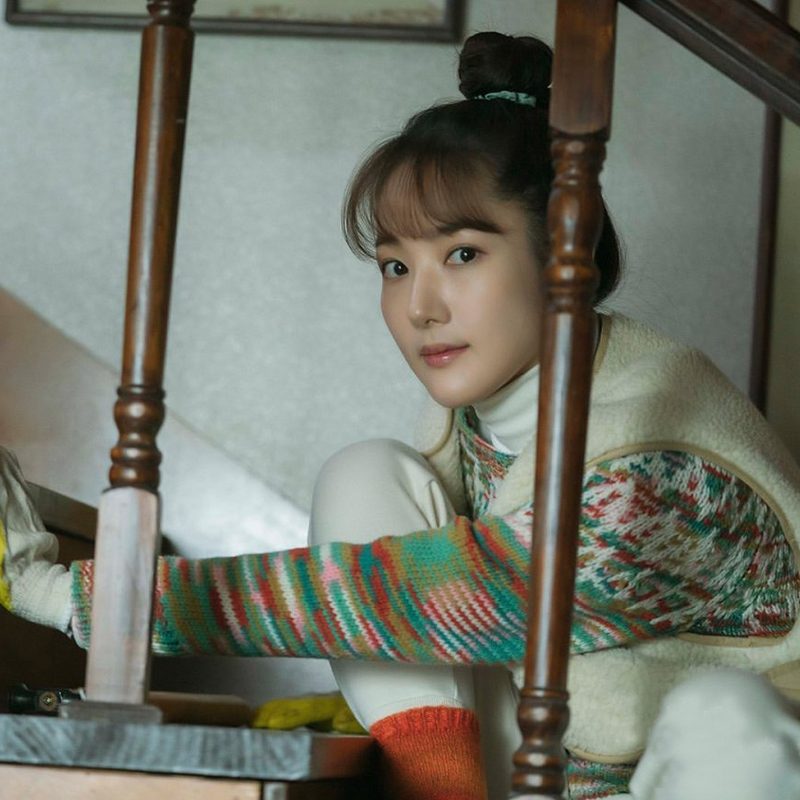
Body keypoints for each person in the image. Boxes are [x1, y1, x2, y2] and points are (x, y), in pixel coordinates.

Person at [3, 31, 800, 800]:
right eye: (393, 265)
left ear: (566, 253)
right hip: (542, 764)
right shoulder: (479, 424)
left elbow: (412, 596)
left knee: (726, 716)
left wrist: (71, 595)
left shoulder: (662, 470)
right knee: (366, 472)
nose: (419, 306)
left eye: (462, 254)